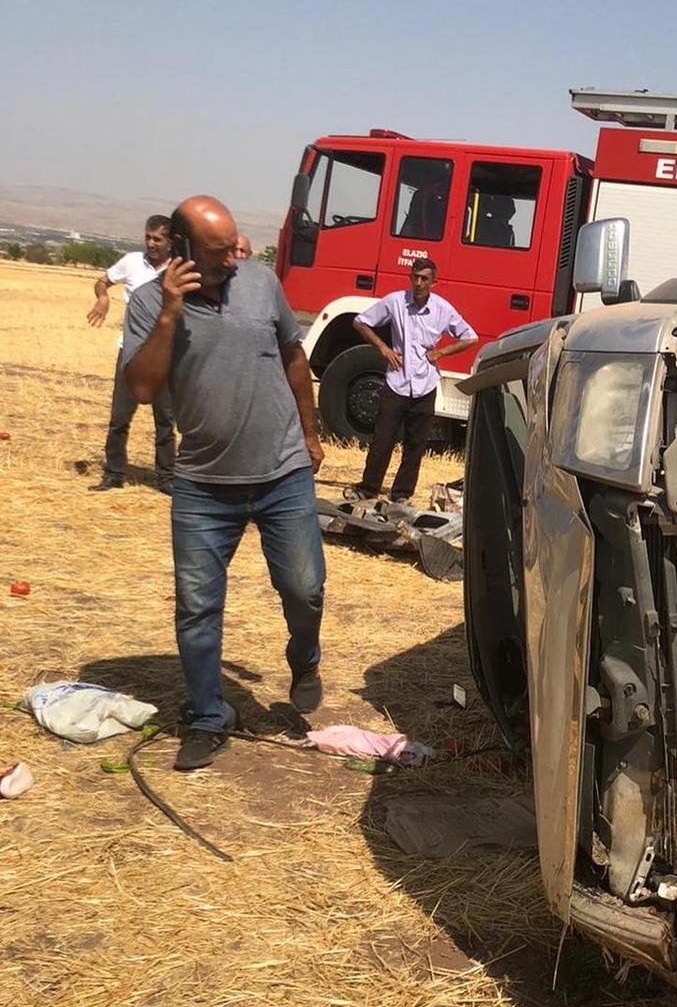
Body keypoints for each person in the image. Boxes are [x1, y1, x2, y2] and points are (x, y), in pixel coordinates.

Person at [123, 196, 327, 772]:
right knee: (196, 606)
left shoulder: (262, 283)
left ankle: (304, 657)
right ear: (182, 250)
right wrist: (169, 313)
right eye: (217, 252)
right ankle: (209, 716)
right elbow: (141, 387)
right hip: (204, 485)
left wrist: (310, 434)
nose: (233, 260)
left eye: (234, 245)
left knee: (305, 588)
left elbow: (293, 358)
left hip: (283, 471)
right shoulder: (147, 303)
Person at [347, 258, 477, 504]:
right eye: (415, 277)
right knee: (382, 441)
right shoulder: (396, 301)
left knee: (415, 445)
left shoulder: (443, 309)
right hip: (397, 382)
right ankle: (368, 489)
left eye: (424, 278)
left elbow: (470, 337)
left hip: (425, 385)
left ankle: (401, 495)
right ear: (410, 277)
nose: (419, 283)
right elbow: (361, 322)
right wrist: (384, 348)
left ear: (433, 282)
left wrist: (441, 353)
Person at [86, 215, 176, 493]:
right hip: (131, 352)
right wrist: (102, 298)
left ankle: (167, 478)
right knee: (119, 417)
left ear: (171, 241)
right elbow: (103, 281)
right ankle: (114, 473)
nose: (151, 243)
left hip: (165, 355)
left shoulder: (177, 268)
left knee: (165, 420)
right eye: (148, 237)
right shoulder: (132, 262)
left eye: (158, 238)